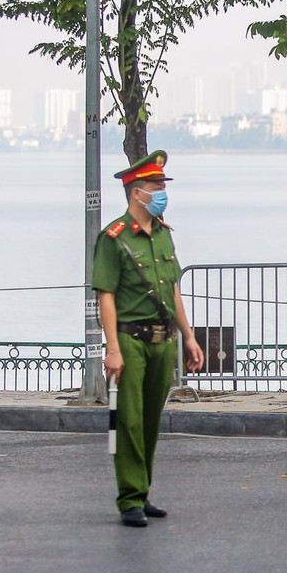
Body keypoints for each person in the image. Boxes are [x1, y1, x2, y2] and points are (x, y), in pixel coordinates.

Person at [94, 150, 205, 528]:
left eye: (162, 185)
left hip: (163, 340)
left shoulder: (162, 235)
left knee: (150, 420)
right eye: (155, 185)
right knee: (129, 420)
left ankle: (142, 492)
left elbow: (173, 290)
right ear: (135, 192)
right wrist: (112, 349)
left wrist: (189, 337)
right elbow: (105, 294)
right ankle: (130, 499)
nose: (161, 191)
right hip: (130, 339)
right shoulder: (114, 237)